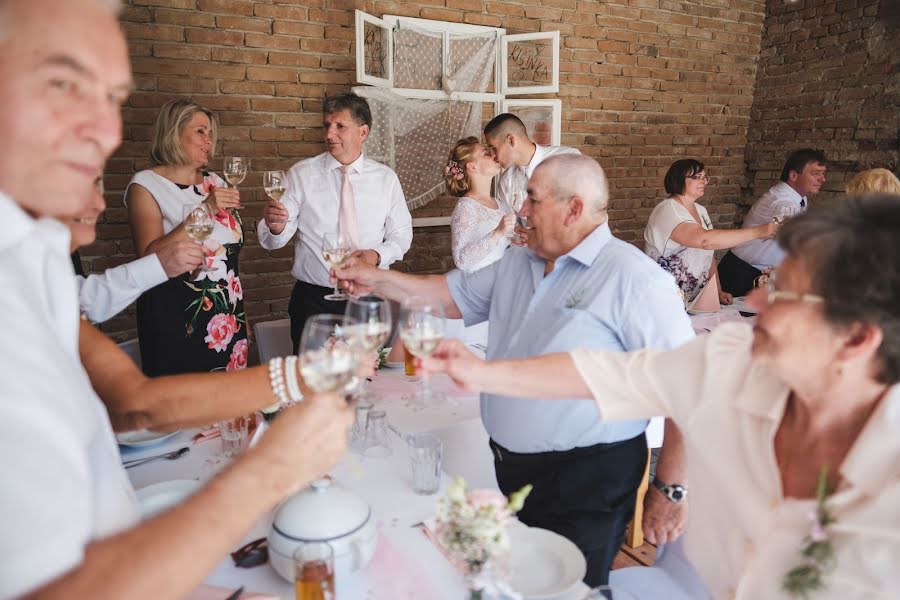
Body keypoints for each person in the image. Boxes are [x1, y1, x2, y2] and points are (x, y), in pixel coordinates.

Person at [0, 1, 353, 598]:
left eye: (111, 98)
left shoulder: (30, 259)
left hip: (136, 532)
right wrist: (267, 472)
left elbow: (135, 402)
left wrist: (304, 376)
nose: (107, 132)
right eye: (64, 82)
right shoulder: (136, 194)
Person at [422, 194, 900, 600]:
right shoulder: (731, 362)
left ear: (856, 339)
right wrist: (482, 373)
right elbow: (606, 374)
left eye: (781, 294)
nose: (753, 303)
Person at [336, 154, 695, 585]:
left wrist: (671, 488)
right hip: (515, 468)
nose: (521, 210)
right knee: (522, 579)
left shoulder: (633, 278)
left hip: (589, 477)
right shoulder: (519, 260)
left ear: (574, 209)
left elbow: (687, 386)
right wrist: (376, 279)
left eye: (532, 198)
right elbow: (451, 296)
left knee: (571, 589)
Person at [259, 93, 413, 353]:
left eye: (340, 126)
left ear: (363, 132)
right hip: (315, 300)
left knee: (368, 378)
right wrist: (276, 227)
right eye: (326, 125)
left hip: (369, 295)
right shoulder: (301, 174)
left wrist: (376, 255)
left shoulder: (386, 179)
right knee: (314, 381)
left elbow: (402, 235)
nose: (329, 134)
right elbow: (275, 238)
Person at [125, 98, 246, 376]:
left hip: (227, 316)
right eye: (200, 131)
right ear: (173, 134)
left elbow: (230, 259)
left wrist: (241, 316)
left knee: (227, 409)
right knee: (183, 408)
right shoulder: (146, 185)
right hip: (175, 317)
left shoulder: (216, 182)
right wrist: (205, 209)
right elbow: (147, 254)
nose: (209, 141)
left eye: (211, 133)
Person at [645, 159, 777, 306]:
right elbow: (705, 241)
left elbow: (708, 254)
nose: (703, 181)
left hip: (694, 300)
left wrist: (717, 291)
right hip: (664, 298)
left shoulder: (701, 210)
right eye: (696, 177)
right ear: (678, 179)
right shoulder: (668, 210)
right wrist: (758, 232)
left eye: (704, 177)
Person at [71, 177, 203, 323]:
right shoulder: (145, 183)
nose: (100, 205)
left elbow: (79, 303)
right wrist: (158, 264)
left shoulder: (214, 181)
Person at [719, 149, 827, 296]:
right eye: (815, 173)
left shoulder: (799, 198)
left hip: (761, 274)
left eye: (822, 173)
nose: (822, 179)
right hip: (741, 274)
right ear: (793, 175)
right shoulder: (782, 201)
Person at [483, 112, 580, 211]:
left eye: (494, 148)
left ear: (511, 140)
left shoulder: (568, 159)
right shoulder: (506, 182)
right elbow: (507, 223)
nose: (493, 155)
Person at [446, 137, 515, 272]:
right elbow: (461, 260)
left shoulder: (500, 203)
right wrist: (497, 232)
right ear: (472, 166)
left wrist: (517, 240)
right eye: (486, 153)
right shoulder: (466, 207)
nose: (494, 155)